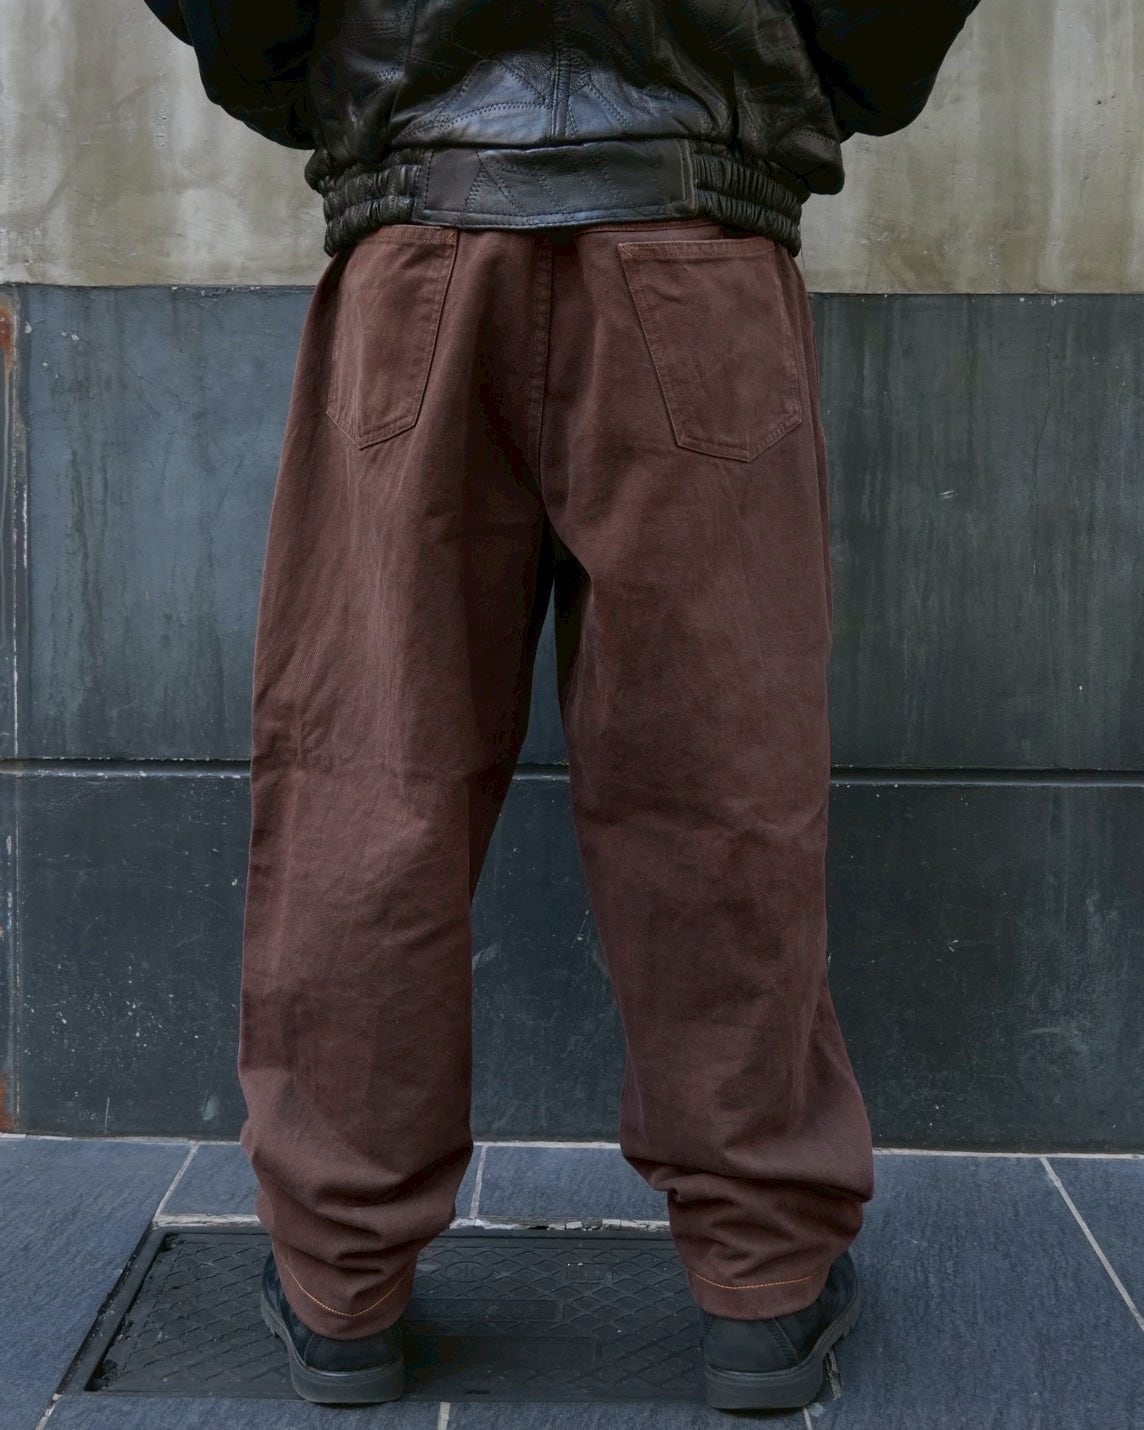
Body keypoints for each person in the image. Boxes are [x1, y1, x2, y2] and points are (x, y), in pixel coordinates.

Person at [143, 0, 982, 1411]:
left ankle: (342, 1286)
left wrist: (340, 91)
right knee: (720, 778)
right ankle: (763, 1282)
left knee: (370, 780)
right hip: (694, 231)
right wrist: (795, 85)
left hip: (420, 236)